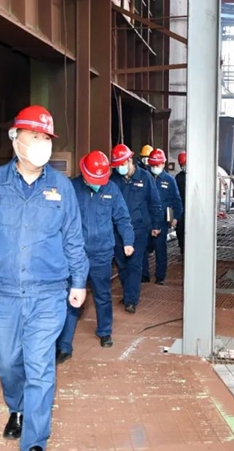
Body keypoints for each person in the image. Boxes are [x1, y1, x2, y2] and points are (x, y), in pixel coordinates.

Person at [0, 105, 88, 451]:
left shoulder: (61, 187)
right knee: (7, 362)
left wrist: (79, 281)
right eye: (35, 136)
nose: (42, 143)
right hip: (1, 295)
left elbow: (73, 239)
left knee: (40, 367)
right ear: (16, 140)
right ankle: (16, 406)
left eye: (46, 138)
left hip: (48, 294)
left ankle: (35, 442)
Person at [56, 151, 134, 363]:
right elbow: (59, 219)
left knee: (102, 294)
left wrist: (128, 240)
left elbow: (122, 217)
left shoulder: (111, 189)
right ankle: (64, 345)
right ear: (84, 173)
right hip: (76, 254)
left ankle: (105, 331)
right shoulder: (72, 188)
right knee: (71, 296)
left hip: (101, 253)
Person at [109, 143, 162, 313]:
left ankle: (131, 300)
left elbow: (155, 203)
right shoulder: (113, 180)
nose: (120, 168)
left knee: (135, 264)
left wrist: (156, 225)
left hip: (139, 229)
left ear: (130, 160)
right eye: (117, 165)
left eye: (122, 164)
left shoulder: (145, 177)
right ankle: (128, 292)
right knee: (122, 265)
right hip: (118, 231)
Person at [141, 148, 183, 284]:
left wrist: (176, 217)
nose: (154, 167)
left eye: (157, 165)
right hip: (146, 220)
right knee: (143, 247)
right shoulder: (145, 178)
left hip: (161, 221)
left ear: (163, 164)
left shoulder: (169, 180)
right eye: (152, 165)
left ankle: (160, 276)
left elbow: (177, 200)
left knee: (160, 249)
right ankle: (144, 274)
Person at [175, 151, 186, 256]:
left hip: (192, 209)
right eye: (182, 165)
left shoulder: (196, 176)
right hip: (181, 208)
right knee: (180, 230)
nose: (184, 166)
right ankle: (183, 250)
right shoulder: (178, 178)